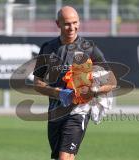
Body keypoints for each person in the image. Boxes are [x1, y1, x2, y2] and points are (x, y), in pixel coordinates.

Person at [33, 6, 117, 160]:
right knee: (64, 157)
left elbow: (112, 81)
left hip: (79, 112)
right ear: (58, 24)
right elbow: (37, 83)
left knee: (64, 157)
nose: (72, 27)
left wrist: (94, 91)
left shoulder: (89, 48)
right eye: (67, 24)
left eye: (75, 22)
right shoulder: (48, 48)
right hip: (55, 112)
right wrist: (59, 93)